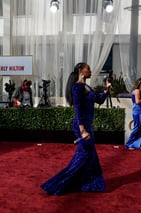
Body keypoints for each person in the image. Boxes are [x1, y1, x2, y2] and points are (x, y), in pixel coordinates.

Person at [40, 62, 111, 196]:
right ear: (81, 70)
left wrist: (106, 89)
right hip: (81, 126)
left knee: (91, 157)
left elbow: (99, 100)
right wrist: (83, 130)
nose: (90, 71)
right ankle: (57, 184)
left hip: (88, 125)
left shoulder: (87, 87)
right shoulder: (77, 88)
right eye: (88, 69)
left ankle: (91, 184)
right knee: (83, 156)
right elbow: (77, 109)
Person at [125, 78, 141, 150]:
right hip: (137, 110)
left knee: (139, 127)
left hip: (138, 109)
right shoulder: (137, 91)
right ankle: (129, 144)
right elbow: (137, 101)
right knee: (137, 127)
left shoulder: (137, 91)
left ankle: (135, 144)